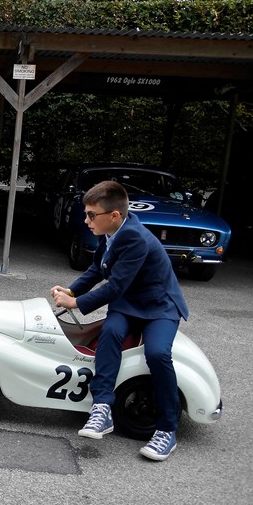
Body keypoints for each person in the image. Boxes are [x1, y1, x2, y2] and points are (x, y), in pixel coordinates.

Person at [51, 180, 188, 462]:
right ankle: (102, 408)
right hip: (128, 304)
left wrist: (75, 303)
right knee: (110, 334)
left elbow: (115, 287)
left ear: (114, 215)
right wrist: (73, 289)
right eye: (85, 213)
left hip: (159, 306)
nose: (85, 220)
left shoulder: (135, 238)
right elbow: (97, 269)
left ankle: (167, 430)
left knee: (158, 354)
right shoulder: (111, 232)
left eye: (91, 215)